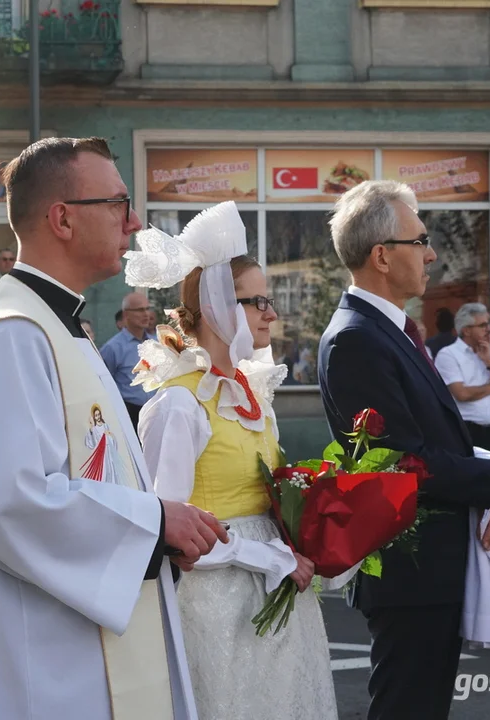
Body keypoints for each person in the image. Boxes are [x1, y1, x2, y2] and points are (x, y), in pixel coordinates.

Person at [0, 136, 228, 720]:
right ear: (62, 218)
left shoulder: (61, 328)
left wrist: (156, 537)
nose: (133, 221)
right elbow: (8, 504)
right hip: (50, 670)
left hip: (81, 651)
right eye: (117, 203)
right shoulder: (12, 336)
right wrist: (156, 522)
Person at [317, 180, 490, 720]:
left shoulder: (391, 331)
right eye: (420, 240)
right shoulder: (356, 337)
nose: (432, 254)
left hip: (429, 569)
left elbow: (427, 442)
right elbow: (403, 462)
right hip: (410, 570)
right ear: (382, 256)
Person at [131, 201, 337, 720]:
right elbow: (168, 529)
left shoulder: (253, 393)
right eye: (256, 301)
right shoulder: (179, 403)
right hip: (214, 605)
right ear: (220, 304)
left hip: (272, 589)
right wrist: (274, 558)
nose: (271, 312)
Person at [434, 302, 490, 449]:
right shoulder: (448, 355)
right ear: (466, 331)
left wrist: (489, 362)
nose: (488, 329)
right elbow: (462, 394)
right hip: (465, 430)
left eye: (488, 324)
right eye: (482, 325)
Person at [100, 292, 157, 426]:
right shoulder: (113, 348)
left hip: (156, 412)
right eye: (140, 310)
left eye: (147, 308)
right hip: (129, 414)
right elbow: (105, 384)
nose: (146, 314)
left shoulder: (156, 343)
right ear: (126, 315)